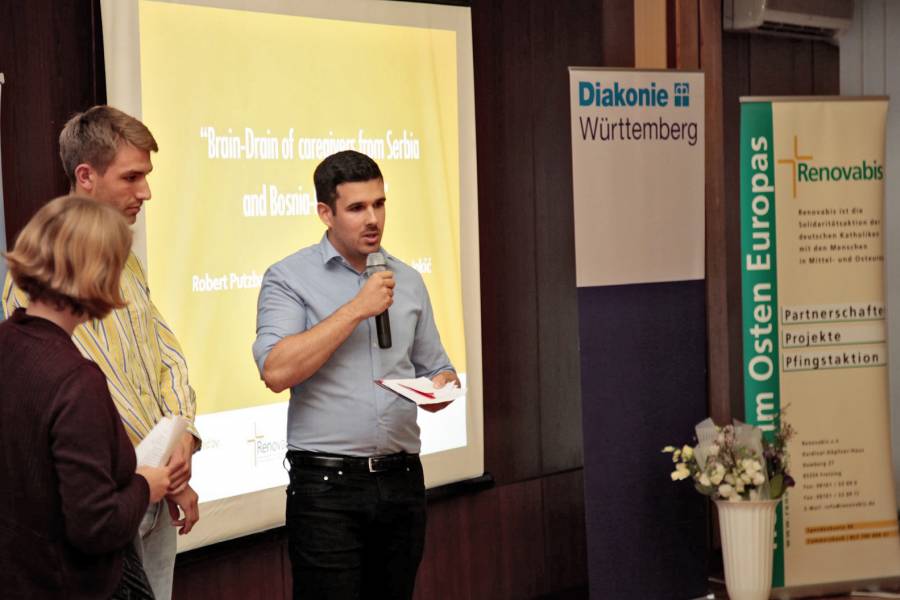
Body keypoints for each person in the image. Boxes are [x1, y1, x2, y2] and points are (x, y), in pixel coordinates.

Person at [1, 105, 200, 600]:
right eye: (132, 177)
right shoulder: (45, 283)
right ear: (85, 175)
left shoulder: (125, 259)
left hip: (146, 487)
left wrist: (181, 439)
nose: (146, 193)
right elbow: (85, 397)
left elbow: (167, 357)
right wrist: (158, 479)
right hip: (101, 502)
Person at [253, 150, 459, 599]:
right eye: (357, 208)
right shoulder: (289, 278)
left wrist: (442, 387)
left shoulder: (407, 278)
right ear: (325, 213)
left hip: (402, 481)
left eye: (380, 204)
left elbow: (437, 367)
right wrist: (356, 308)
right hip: (328, 489)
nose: (373, 219)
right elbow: (276, 369)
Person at [0, 195, 172, 599]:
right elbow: (96, 525)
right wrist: (146, 484)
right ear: (101, 273)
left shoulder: (7, 343)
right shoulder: (76, 380)